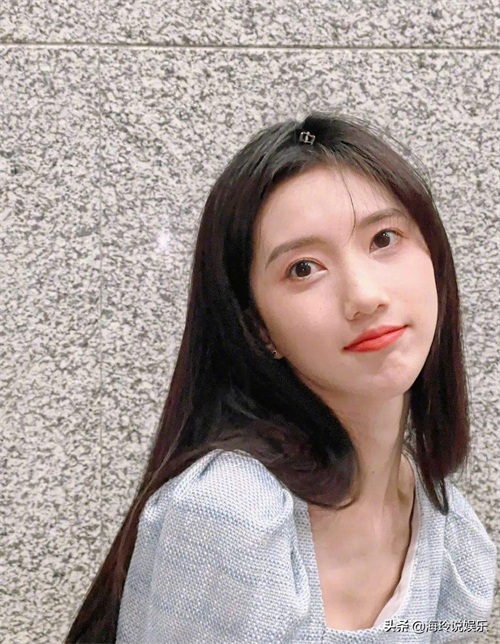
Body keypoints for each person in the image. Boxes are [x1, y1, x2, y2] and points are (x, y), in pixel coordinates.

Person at [65, 112, 496, 643]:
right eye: (303, 268)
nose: (364, 296)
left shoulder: (450, 534)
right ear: (259, 328)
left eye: (384, 238)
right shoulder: (232, 514)